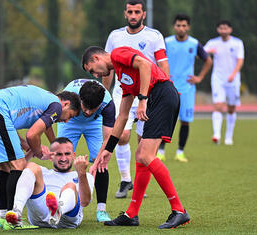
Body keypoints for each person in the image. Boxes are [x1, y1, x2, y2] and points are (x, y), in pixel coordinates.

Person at [82, 46, 190, 229]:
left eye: (92, 70)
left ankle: (179, 211)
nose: (97, 76)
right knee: (141, 157)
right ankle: (132, 214)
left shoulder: (117, 54)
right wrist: (108, 150)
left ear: (95, 58)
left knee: (145, 155)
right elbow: (122, 117)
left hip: (162, 95)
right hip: (157, 99)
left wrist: (142, 99)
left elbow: (145, 65)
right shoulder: (124, 79)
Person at [0, 85, 81, 230]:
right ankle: (12, 220)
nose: (66, 121)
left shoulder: (46, 101)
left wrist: (40, 145)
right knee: (19, 164)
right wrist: (39, 152)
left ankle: (4, 217)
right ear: (65, 104)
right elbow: (32, 134)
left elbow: (43, 127)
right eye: (70, 115)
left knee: (5, 167)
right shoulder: (56, 106)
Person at [102, 0, 170, 198]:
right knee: (121, 135)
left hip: (146, 95)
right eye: (130, 12)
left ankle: (141, 185)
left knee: (143, 142)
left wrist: (166, 89)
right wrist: (105, 93)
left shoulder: (154, 36)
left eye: (137, 12)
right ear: (125, 13)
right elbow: (107, 67)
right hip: (122, 93)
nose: (133, 15)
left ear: (143, 14)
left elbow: (162, 64)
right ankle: (125, 180)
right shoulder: (115, 36)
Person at [57, 79, 115, 222]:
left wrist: (96, 162)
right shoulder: (68, 97)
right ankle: (60, 205)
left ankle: (101, 210)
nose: (88, 112)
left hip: (95, 123)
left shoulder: (107, 105)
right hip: (70, 120)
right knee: (62, 159)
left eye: (92, 108)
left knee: (101, 161)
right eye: (85, 107)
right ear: (79, 99)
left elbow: (108, 139)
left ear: (100, 104)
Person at [5, 137, 95, 229]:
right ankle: (16, 211)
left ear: (73, 155)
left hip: (67, 219)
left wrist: (81, 172)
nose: (63, 158)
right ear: (51, 156)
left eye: (67, 154)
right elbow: (16, 168)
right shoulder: (43, 173)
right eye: (59, 154)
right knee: (31, 166)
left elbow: (85, 202)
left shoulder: (85, 176)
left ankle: (58, 210)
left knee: (70, 186)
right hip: (39, 217)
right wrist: (33, 152)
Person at [159, 14, 213, 162]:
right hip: (169, 87)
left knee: (185, 120)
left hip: (187, 88)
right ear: (174, 26)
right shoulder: (167, 42)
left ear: (188, 27)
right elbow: (158, 60)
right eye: (178, 25)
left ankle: (180, 152)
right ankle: (161, 151)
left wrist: (199, 77)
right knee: (166, 119)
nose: (181, 28)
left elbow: (208, 60)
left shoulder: (194, 44)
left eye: (184, 25)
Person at [204, 20, 244, 145]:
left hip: (233, 80)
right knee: (218, 105)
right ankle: (216, 135)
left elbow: (240, 60)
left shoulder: (237, 43)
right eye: (221, 28)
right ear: (218, 30)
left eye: (225, 28)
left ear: (230, 30)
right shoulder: (213, 42)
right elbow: (202, 53)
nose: (223, 31)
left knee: (231, 108)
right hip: (218, 79)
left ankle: (228, 137)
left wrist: (233, 74)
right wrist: (208, 52)